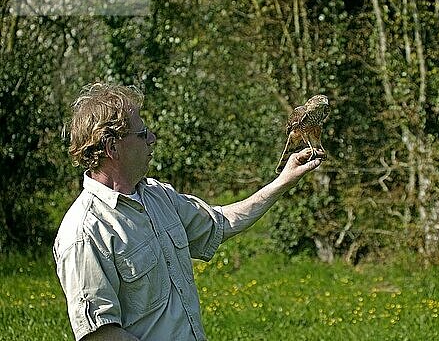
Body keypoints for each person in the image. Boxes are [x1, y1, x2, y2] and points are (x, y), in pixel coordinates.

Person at [53, 83, 323, 341]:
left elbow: (221, 223)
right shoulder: (84, 233)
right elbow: (101, 335)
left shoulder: (158, 197)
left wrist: (282, 182)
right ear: (113, 147)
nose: (152, 139)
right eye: (142, 133)